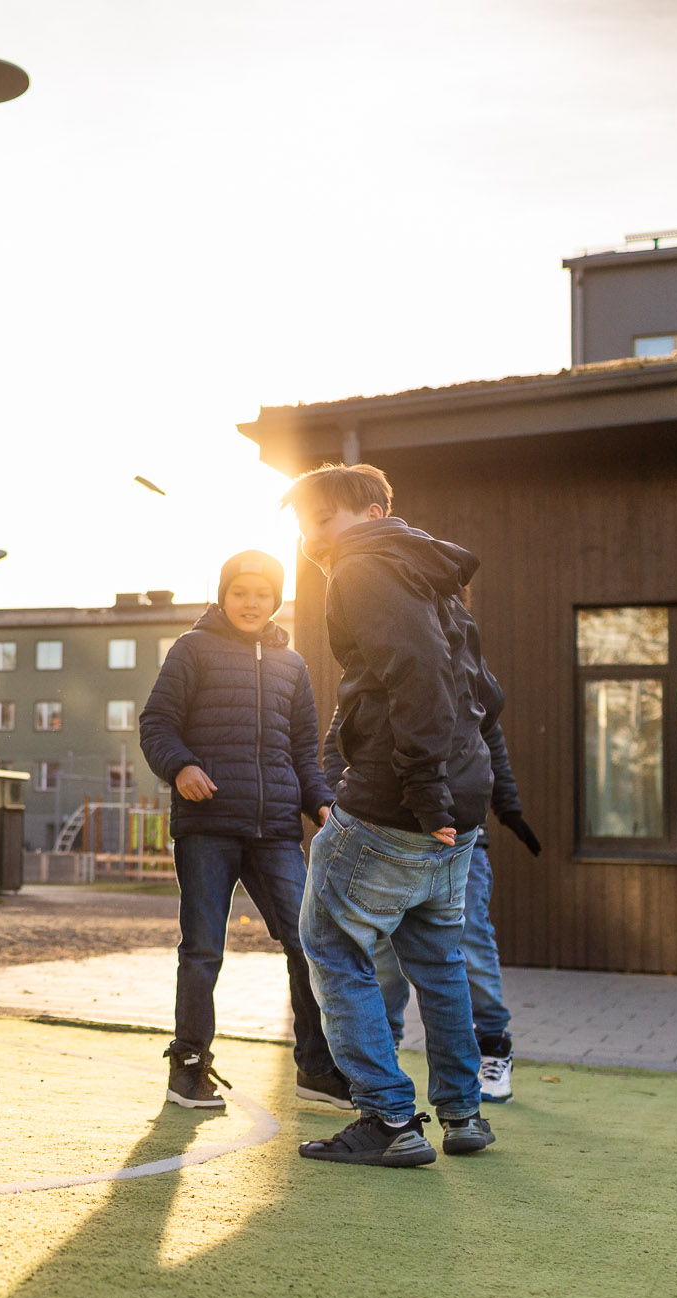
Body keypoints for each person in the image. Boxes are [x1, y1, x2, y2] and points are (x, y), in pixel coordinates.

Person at [283, 463, 503, 1168]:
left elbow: (420, 677)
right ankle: (463, 1112)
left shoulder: (367, 567)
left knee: (331, 944)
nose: (313, 538)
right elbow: (477, 689)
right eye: (302, 526)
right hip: (454, 805)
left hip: (399, 802)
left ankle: (386, 1117)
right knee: (436, 957)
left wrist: (425, 789)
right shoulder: (429, 573)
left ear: (373, 510)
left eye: (323, 519)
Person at [139, 549, 348, 1112]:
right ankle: (188, 1066)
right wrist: (181, 766)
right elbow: (157, 724)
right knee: (204, 948)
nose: (251, 602)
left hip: (277, 830)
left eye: (262, 593)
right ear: (223, 595)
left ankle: (316, 1069)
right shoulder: (192, 649)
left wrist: (322, 803)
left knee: (309, 943)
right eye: (240, 592)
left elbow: (304, 750)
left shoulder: (293, 664)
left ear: (276, 599)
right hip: (207, 826)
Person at [330, 704, 541, 1103]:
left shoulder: (469, 668)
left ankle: (493, 1045)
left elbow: (489, 742)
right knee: (384, 951)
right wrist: (347, 810)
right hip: (386, 835)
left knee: (470, 939)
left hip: (461, 839)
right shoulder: (375, 666)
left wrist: (507, 805)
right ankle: (383, 1054)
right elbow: (336, 747)